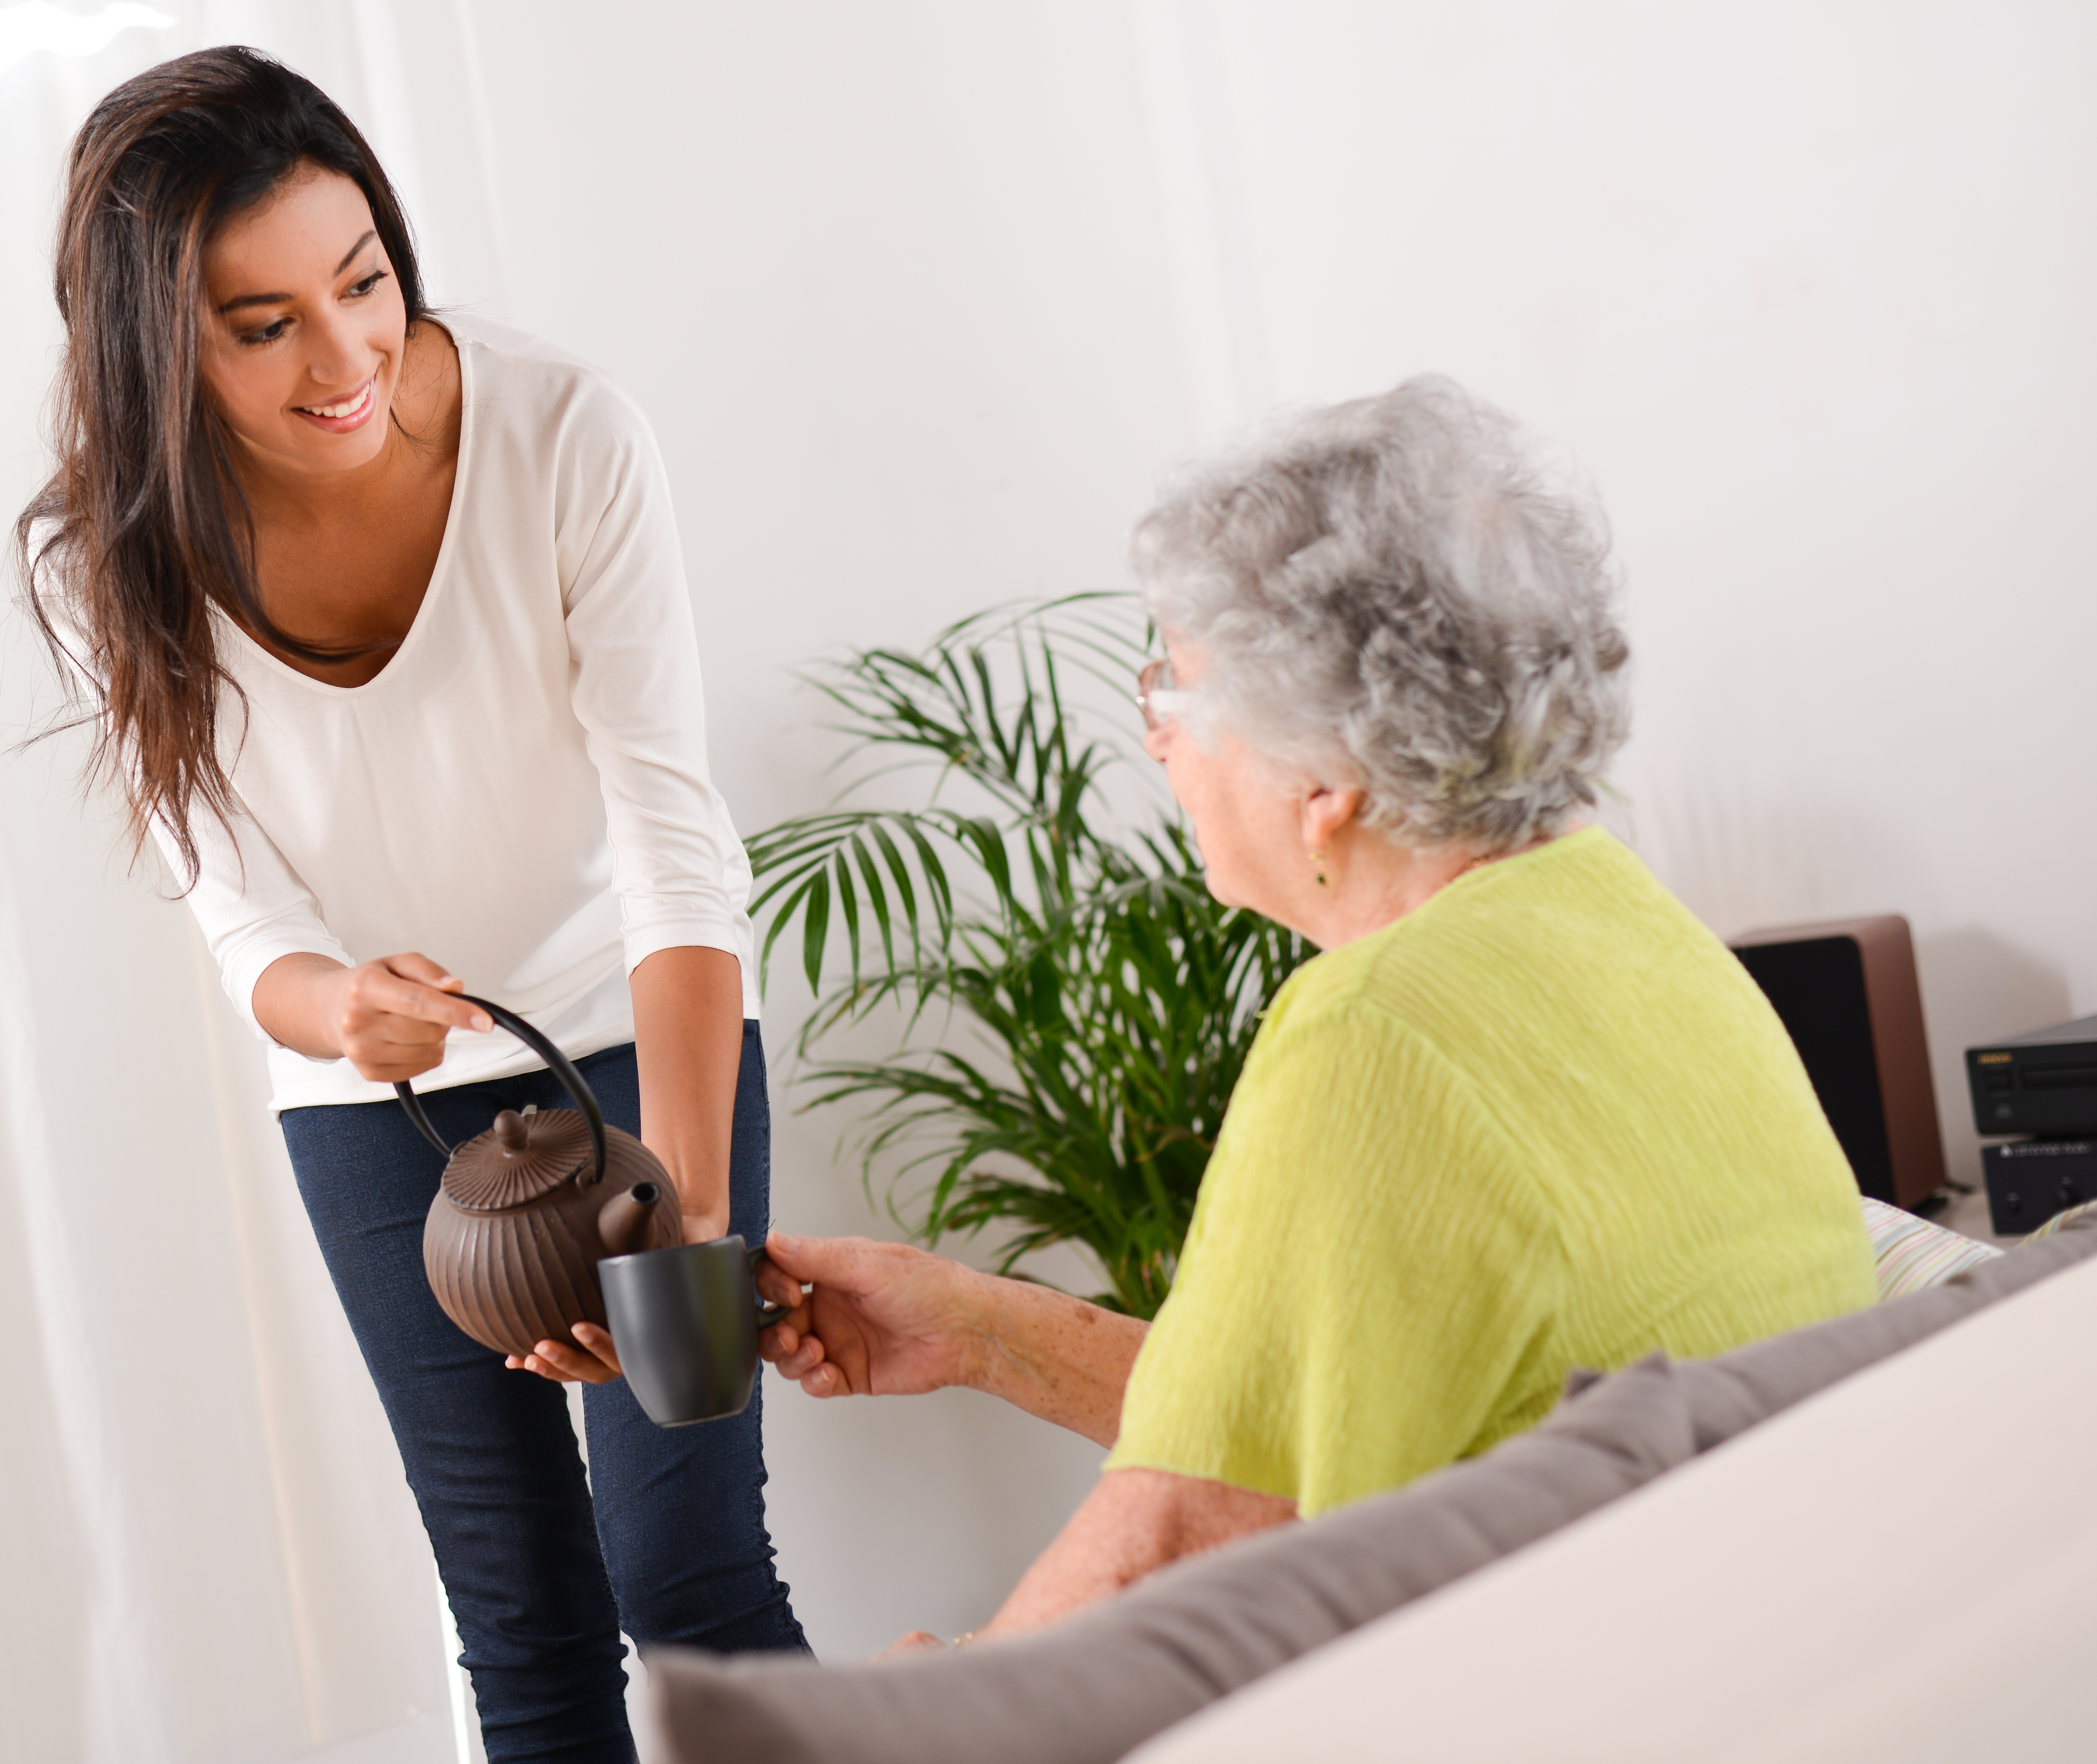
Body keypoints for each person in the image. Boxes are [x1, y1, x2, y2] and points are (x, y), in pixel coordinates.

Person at [753, 377, 1874, 1646]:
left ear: (1324, 775)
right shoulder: (1633, 931)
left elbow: (1183, 1537)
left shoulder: (1376, 1029)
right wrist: (983, 1331)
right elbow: (1283, 1441)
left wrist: (939, 1715)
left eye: (1171, 695)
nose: (1160, 750)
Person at [21, 46, 803, 1757]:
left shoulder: (562, 431)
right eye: (264, 322)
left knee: (688, 1569)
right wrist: (342, 1009)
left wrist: (681, 1200)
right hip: (372, 1103)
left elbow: (672, 830)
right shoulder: (114, 559)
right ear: (164, 346)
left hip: (637, 1024)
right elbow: (238, 916)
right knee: (522, 1619)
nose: (345, 354)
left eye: (362, 280)